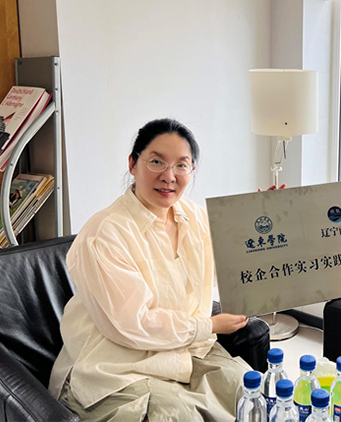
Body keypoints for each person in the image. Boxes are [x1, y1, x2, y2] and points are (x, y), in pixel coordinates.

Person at [49, 118, 251, 421]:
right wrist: (208, 326)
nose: (169, 176)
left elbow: (226, 272)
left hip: (186, 351)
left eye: (181, 165)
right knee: (175, 415)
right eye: (157, 162)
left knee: (253, 395)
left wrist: (263, 218)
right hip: (116, 365)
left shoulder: (196, 218)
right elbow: (132, 325)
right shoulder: (104, 234)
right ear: (133, 164)